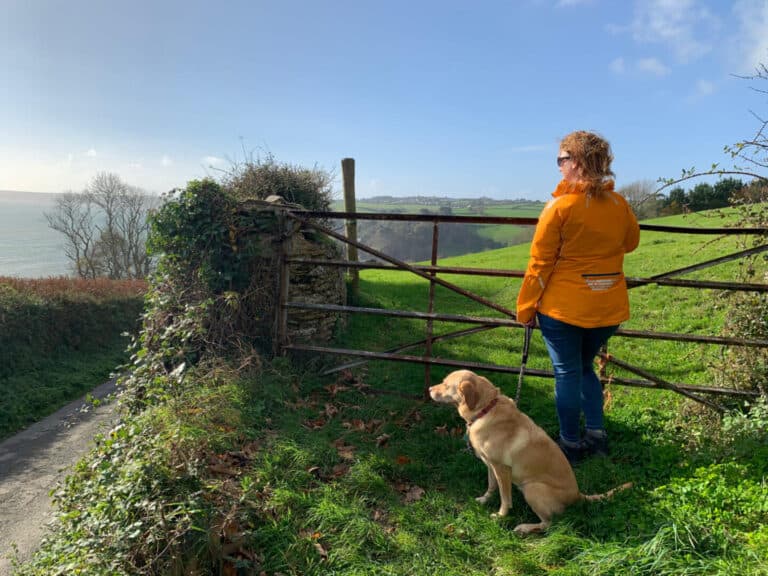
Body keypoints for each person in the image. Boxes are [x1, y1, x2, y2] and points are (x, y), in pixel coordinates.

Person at [516, 130, 640, 464]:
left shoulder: (559, 206)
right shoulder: (619, 204)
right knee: (585, 367)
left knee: (567, 373)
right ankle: (597, 436)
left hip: (564, 307)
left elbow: (540, 264)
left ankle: (570, 443)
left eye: (562, 159)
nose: (558, 166)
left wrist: (526, 307)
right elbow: (631, 243)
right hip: (608, 305)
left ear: (578, 163)